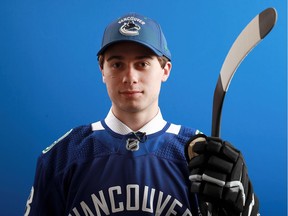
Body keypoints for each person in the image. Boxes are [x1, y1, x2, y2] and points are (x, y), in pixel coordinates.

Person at [24, 13, 259, 216]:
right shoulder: (63, 156)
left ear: (165, 70)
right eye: (117, 65)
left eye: (142, 64)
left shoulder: (201, 157)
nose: (130, 77)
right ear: (102, 70)